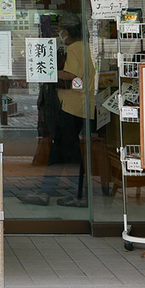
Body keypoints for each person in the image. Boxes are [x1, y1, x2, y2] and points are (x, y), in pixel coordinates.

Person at [54, 21, 95, 205]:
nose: (59, 34)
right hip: (82, 103)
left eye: (60, 31)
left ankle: (79, 194)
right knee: (62, 147)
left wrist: (49, 72)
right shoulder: (85, 46)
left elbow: (71, 74)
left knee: (71, 149)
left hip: (71, 105)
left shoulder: (74, 48)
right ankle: (50, 190)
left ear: (66, 32)